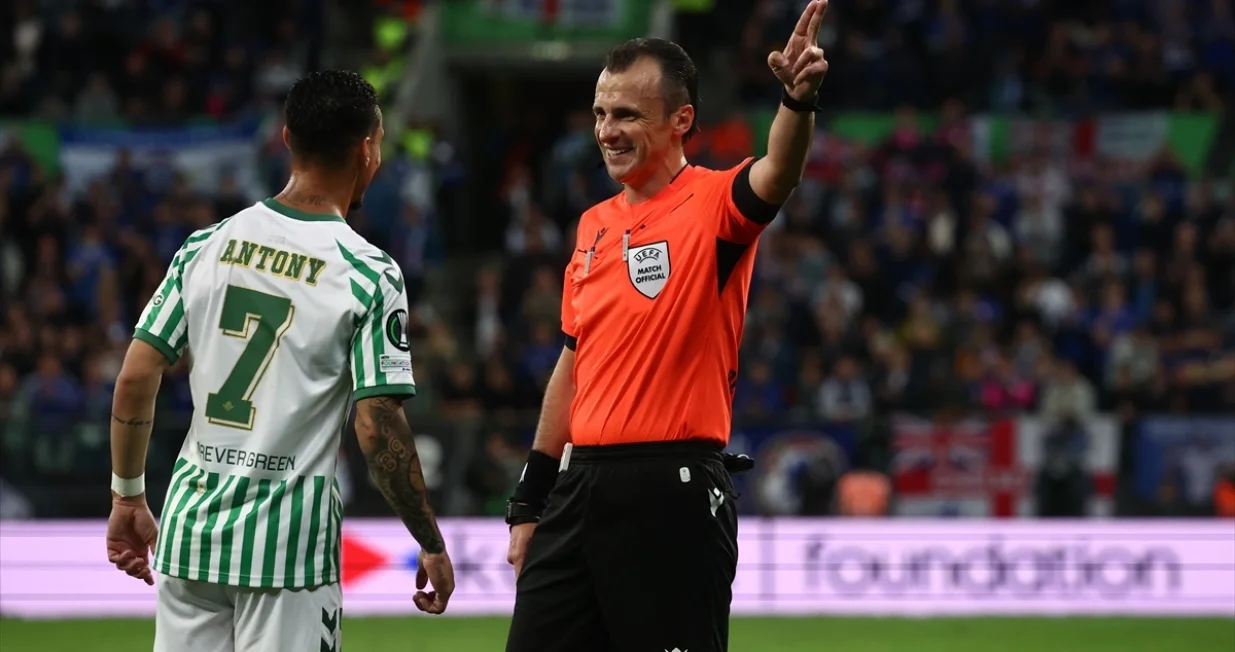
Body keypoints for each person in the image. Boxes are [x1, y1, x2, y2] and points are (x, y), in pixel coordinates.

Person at [503, 2, 830, 651]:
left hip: (670, 489)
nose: (607, 131)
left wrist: (794, 102)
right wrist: (529, 501)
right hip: (578, 489)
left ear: (682, 120)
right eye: (600, 114)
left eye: (626, 114)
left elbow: (777, 172)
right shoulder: (592, 225)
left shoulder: (713, 204)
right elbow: (572, 366)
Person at [105, 70, 455, 651]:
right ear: (368, 149)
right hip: (287, 555)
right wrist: (430, 539)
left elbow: (137, 375)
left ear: (287, 138)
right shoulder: (368, 272)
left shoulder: (206, 245)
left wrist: (126, 497)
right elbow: (376, 424)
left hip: (190, 535)